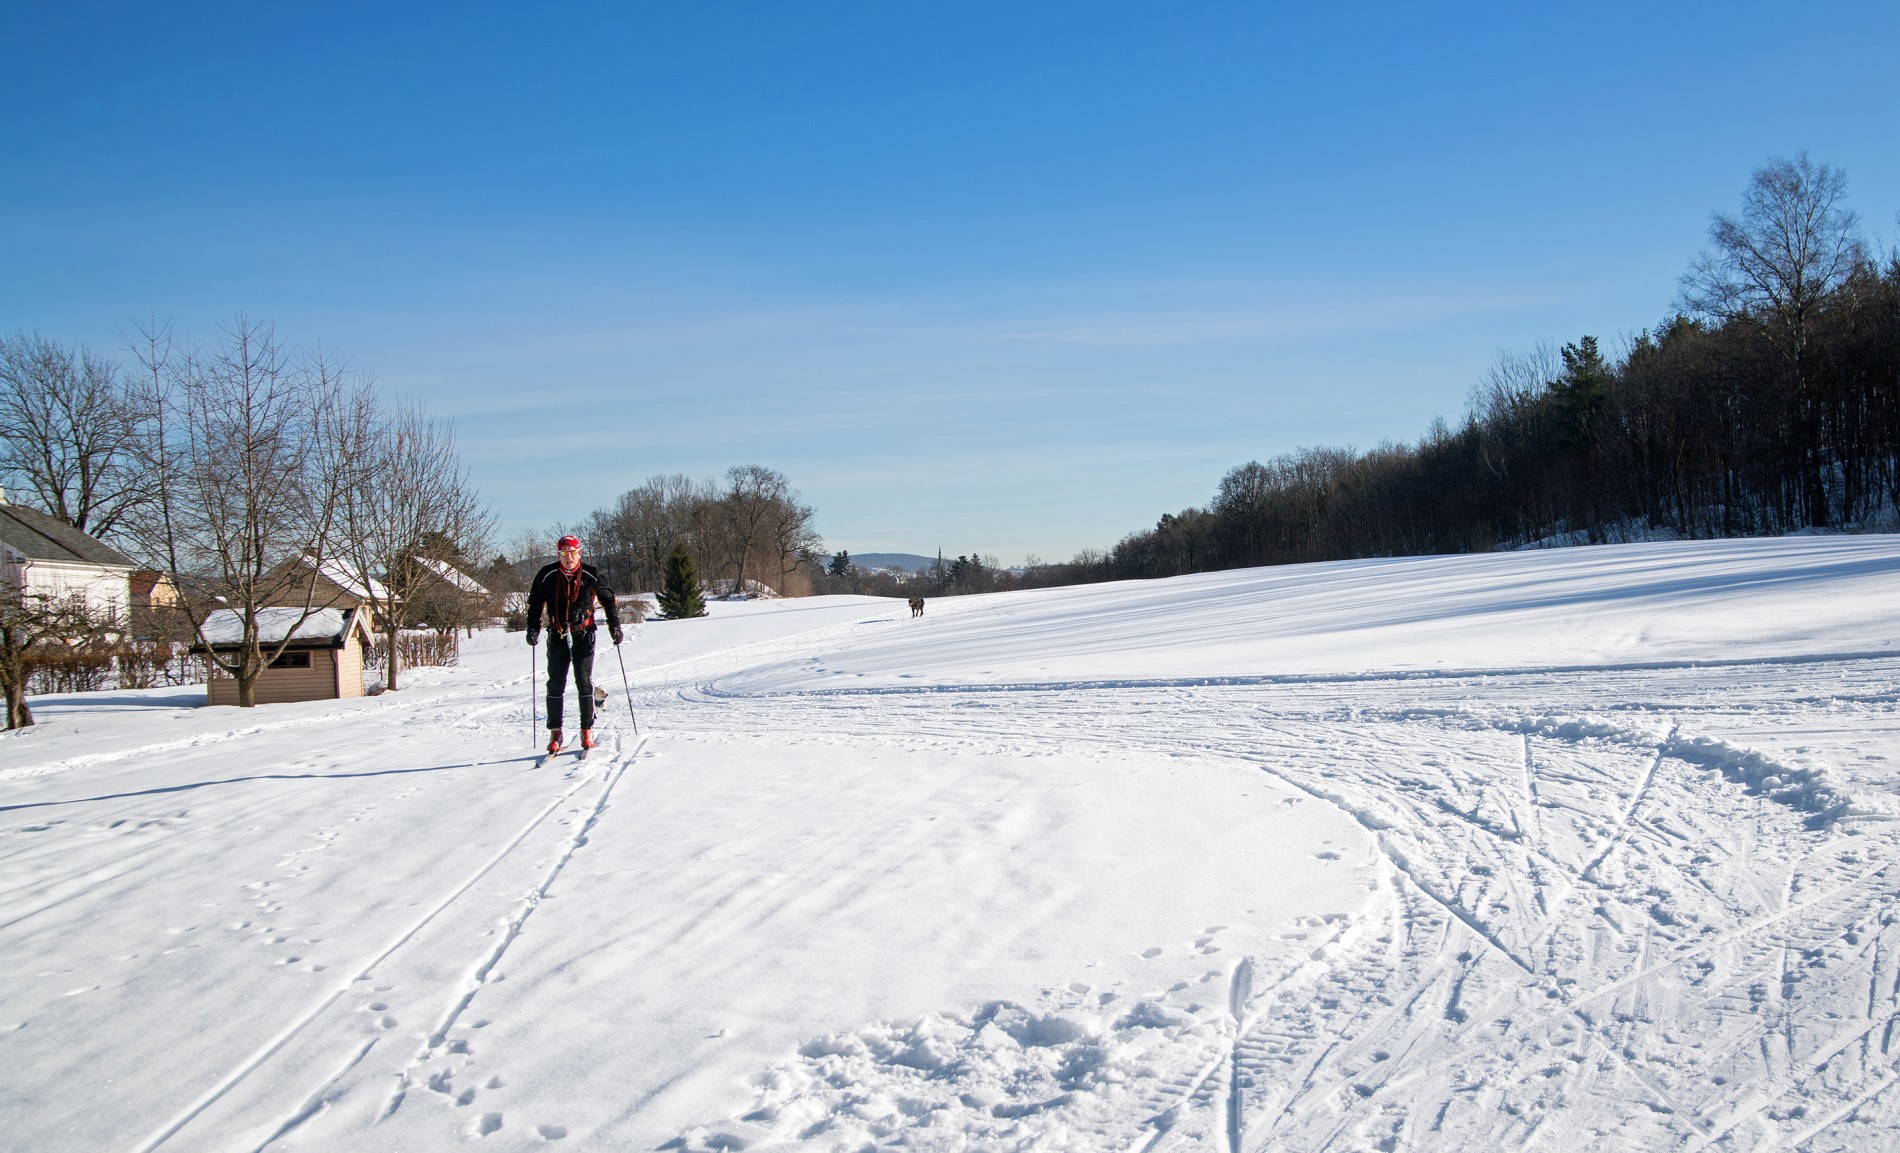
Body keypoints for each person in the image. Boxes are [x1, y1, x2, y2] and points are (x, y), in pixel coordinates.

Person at [525, 534, 624, 753]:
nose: (568, 557)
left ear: (579, 553)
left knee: (583, 681)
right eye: (563, 553)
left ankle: (586, 730)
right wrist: (533, 628)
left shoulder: (591, 574)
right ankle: (555, 732)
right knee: (555, 683)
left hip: (584, 633)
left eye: (572, 553)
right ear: (558, 554)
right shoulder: (547, 574)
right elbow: (535, 604)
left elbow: (609, 601)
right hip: (558, 634)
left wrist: (614, 626)